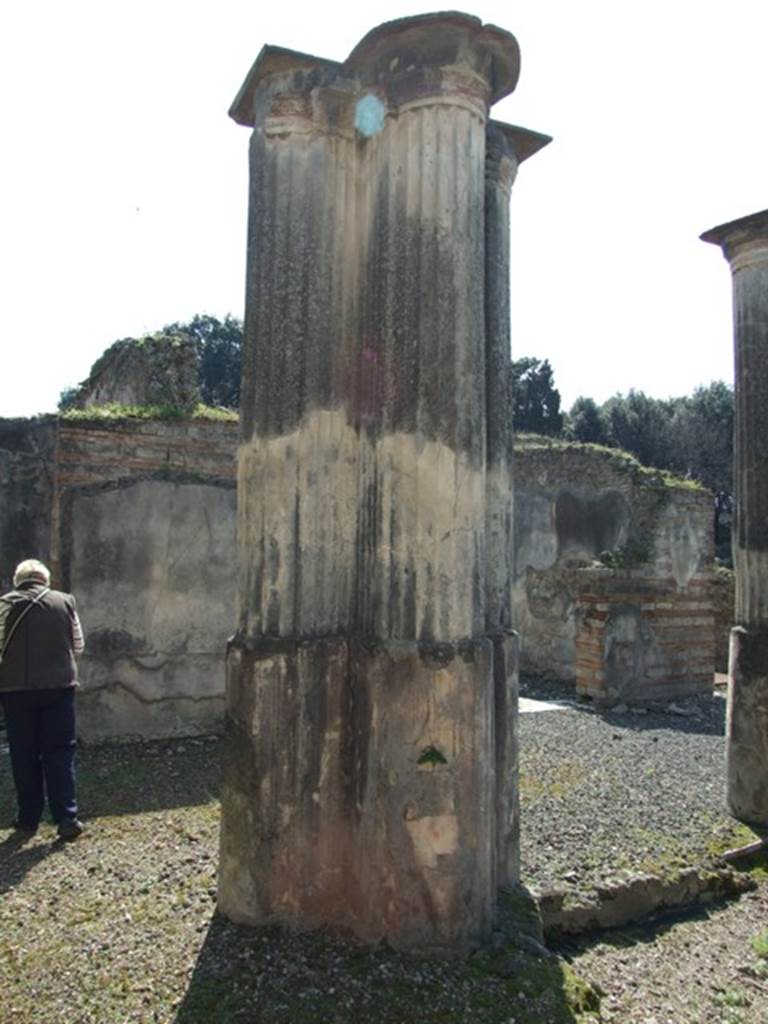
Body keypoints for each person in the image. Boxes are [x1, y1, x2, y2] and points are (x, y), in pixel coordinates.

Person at [0, 559, 85, 840]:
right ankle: (67, 817)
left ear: (18, 580)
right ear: (45, 581)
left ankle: (28, 819)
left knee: (24, 753)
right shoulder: (65, 602)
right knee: (60, 752)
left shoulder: (4, 605)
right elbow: (78, 645)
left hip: (15, 691)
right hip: (59, 686)